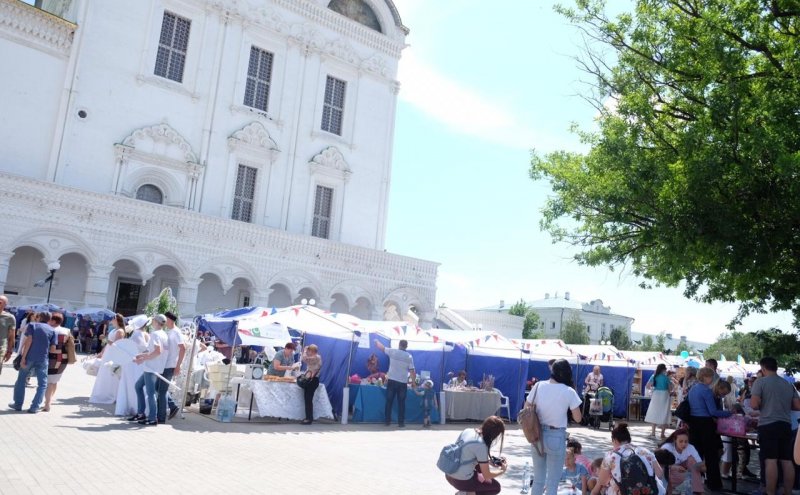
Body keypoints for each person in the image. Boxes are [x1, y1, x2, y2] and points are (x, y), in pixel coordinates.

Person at [526, 358, 583, 495]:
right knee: (552, 482)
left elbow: (526, 408)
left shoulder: (539, 385)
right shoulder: (569, 391)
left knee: (538, 480)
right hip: (556, 436)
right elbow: (578, 418)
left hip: (536, 434)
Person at [751, 356, 800, 495]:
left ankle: (770, 492)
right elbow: (798, 406)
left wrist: (764, 404)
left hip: (768, 424)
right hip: (786, 425)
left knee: (770, 460)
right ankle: (788, 492)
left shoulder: (760, 382)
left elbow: (754, 404)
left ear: (763, 368)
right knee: (786, 460)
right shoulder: (788, 384)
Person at [686, 366, 731, 491]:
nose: (712, 379)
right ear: (705, 377)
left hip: (694, 423)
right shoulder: (706, 390)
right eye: (711, 376)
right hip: (705, 424)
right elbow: (713, 411)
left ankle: (695, 482)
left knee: (696, 455)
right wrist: (729, 413)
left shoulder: (693, 389)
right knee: (711, 456)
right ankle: (714, 484)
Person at [590, 422, 665, 495]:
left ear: (615, 440)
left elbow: (603, 481)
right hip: (654, 491)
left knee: (607, 488)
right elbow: (660, 474)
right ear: (629, 440)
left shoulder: (610, 456)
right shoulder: (645, 451)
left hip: (626, 491)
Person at [443, 415, 507, 494]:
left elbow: (465, 454)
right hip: (460, 481)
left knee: (480, 469)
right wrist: (501, 471)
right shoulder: (481, 445)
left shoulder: (468, 431)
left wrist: (489, 462)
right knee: (495, 487)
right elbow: (487, 475)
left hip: (449, 474)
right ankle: (465, 493)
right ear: (494, 434)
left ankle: (468, 491)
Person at [9, 311, 56, 413]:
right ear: (49, 319)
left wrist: (23, 357)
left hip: (29, 357)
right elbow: (52, 349)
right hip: (43, 359)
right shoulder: (53, 330)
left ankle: (18, 405)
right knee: (42, 384)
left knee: (21, 381)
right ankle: (34, 407)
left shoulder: (32, 325)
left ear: (39, 317)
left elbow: (29, 341)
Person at [128, 314, 168, 426]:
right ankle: (141, 413)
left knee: (150, 393)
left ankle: (152, 418)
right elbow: (155, 351)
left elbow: (157, 351)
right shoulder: (163, 334)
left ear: (156, 322)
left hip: (151, 367)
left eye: (153, 320)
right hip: (154, 367)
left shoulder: (155, 334)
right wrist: (141, 356)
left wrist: (144, 358)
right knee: (138, 386)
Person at [374, 338, 415, 427]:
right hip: (403, 383)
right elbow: (412, 371)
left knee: (389, 401)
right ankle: (401, 423)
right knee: (401, 403)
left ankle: (387, 421)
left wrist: (376, 341)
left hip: (392, 381)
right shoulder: (409, 356)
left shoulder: (393, 352)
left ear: (399, 345)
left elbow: (381, 347)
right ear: (406, 346)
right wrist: (414, 383)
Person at [115, 315, 149, 416]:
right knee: (134, 384)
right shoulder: (141, 334)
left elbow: (141, 347)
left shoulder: (138, 333)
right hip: (136, 362)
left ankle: (135, 406)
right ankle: (135, 406)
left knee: (134, 384)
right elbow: (143, 348)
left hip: (136, 362)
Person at [90, 313, 125, 404]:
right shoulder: (114, 330)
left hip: (113, 355)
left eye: (113, 319)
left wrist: (105, 338)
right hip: (108, 354)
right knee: (104, 373)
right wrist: (101, 352)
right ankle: (103, 393)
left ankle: (111, 395)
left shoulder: (120, 331)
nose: (111, 320)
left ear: (117, 320)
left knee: (110, 374)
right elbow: (108, 344)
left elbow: (117, 345)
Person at [659, 428, 705, 495]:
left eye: (686, 441)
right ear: (675, 440)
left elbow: (699, 464)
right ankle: (665, 490)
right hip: (668, 473)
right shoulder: (667, 447)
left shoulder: (690, 447)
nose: (684, 444)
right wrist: (674, 467)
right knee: (664, 469)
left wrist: (706, 465)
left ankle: (697, 491)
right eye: (681, 441)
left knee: (692, 460)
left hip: (684, 472)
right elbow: (659, 464)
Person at [159, 311, 186, 422]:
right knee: (160, 389)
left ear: (169, 319)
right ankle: (172, 406)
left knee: (162, 391)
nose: (164, 322)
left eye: (165, 319)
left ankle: (162, 416)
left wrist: (178, 365)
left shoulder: (176, 332)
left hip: (170, 364)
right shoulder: (170, 331)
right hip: (165, 363)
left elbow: (183, 348)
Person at [43, 312, 73, 412]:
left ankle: (47, 404)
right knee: (54, 381)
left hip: (51, 358)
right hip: (63, 358)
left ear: (54, 321)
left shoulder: (48, 330)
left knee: (49, 382)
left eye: (50, 319)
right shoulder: (67, 331)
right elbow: (70, 345)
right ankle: (49, 400)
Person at [645, 363, 674, 438]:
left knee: (654, 412)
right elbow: (670, 389)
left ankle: (653, 433)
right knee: (665, 412)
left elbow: (647, 386)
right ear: (664, 369)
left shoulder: (654, 376)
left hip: (656, 394)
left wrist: (653, 389)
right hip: (664, 395)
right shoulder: (666, 378)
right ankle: (662, 434)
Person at [298, 344, 322, 425]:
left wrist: (304, 350)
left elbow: (304, 358)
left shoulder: (317, 357)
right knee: (307, 399)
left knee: (308, 399)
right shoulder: (315, 358)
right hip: (310, 379)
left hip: (313, 380)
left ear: (312, 351)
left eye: (309, 351)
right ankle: (308, 417)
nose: (308, 352)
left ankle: (309, 418)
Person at [0, 295, 16, 373]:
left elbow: (11, 336)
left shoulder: (9, 318)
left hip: (1, 348)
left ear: (5, 305)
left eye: (0, 302)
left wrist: (9, 351)